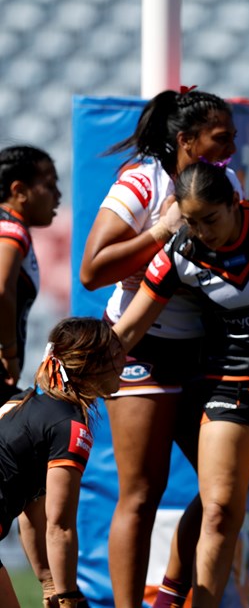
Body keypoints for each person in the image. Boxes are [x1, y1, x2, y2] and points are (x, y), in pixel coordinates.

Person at [112, 160, 249, 607]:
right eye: (191, 222)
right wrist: (76, 361)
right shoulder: (180, 251)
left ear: (235, 202)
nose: (201, 232)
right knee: (219, 514)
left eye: (209, 219)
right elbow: (130, 330)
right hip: (228, 389)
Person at [79, 88, 242, 607]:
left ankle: (170, 593)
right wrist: (163, 230)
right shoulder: (142, 181)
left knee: (225, 489)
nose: (232, 150)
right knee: (140, 495)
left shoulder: (228, 183)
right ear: (186, 140)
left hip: (204, 352)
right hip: (141, 349)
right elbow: (92, 270)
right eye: (222, 138)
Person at [0, 317, 125, 608]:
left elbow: (30, 508)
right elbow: (60, 526)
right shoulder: (70, 427)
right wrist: (69, 595)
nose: (124, 361)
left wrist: (49, 582)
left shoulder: (26, 403)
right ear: (91, 364)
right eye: (116, 354)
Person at [0, 145, 62, 405]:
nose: (58, 196)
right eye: (49, 186)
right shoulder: (12, 231)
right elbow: (2, 290)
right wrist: (9, 354)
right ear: (19, 191)